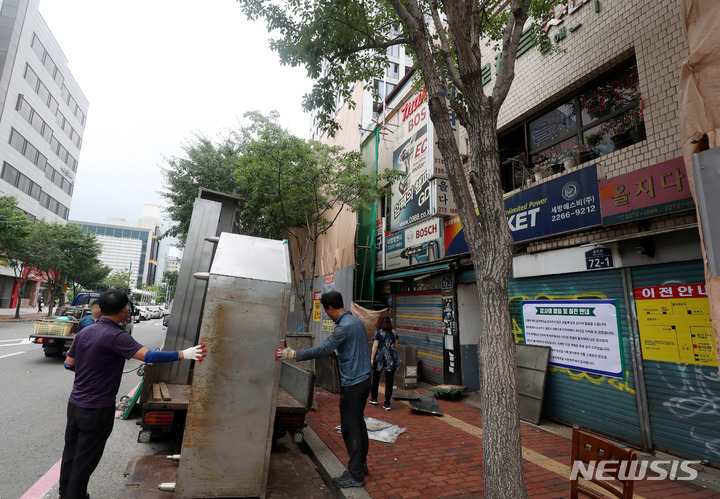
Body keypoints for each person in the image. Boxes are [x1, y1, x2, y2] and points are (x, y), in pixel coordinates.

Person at [59, 289, 207, 499]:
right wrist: (184, 354)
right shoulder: (116, 335)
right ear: (123, 310)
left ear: (99, 309)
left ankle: (64, 494)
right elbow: (150, 356)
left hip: (75, 405)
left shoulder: (85, 332)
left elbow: (68, 364)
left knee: (71, 454)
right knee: (85, 459)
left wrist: (90, 367)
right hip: (97, 409)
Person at [275, 291, 371, 489]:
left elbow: (324, 349)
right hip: (364, 381)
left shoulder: (343, 327)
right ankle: (360, 466)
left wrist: (293, 353)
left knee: (350, 428)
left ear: (330, 308)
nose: (327, 316)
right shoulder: (356, 322)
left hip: (353, 384)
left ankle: (355, 475)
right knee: (359, 425)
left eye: (326, 312)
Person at [368, 312, 399, 410]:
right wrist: (392, 355)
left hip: (380, 359)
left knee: (376, 379)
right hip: (391, 358)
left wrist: (372, 358)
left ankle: (374, 398)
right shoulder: (394, 332)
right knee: (389, 381)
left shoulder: (378, 332)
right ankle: (387, 404)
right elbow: (396, 347)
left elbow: (375, 346)